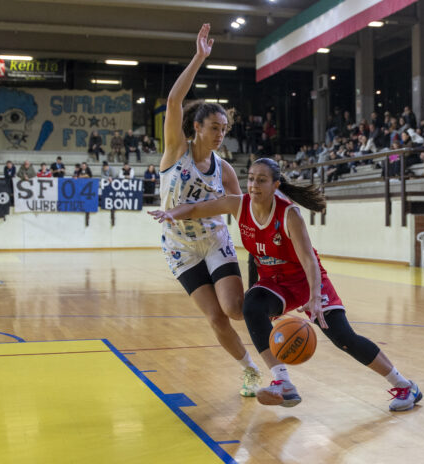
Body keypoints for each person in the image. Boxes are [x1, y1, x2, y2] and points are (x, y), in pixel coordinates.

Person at [149, 157, 422, 412]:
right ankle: (282, 381)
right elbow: (197, 208)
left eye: (262, 180)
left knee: (343, 337)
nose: (254, 185)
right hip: (275, 283)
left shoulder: (290, 214)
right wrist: (173, 213)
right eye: (252, 179)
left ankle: (405, 385)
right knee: (252, 307)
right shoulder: (238, 204)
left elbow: (309, 260)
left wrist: (315, 297)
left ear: (275, 185)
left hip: (306, 280)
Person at [147, 23, 261, 398]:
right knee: (214, 318)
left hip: (214, 241)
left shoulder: (225, 169)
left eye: (225, 128)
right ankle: (249, 370)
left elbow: (239, 211)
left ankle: (269, 315)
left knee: (235, 309)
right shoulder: (175, 151)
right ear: (196, 128)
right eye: (214, 127)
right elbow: (174, 102)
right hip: (178, 247)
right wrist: (199, 57)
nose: (220, 133)